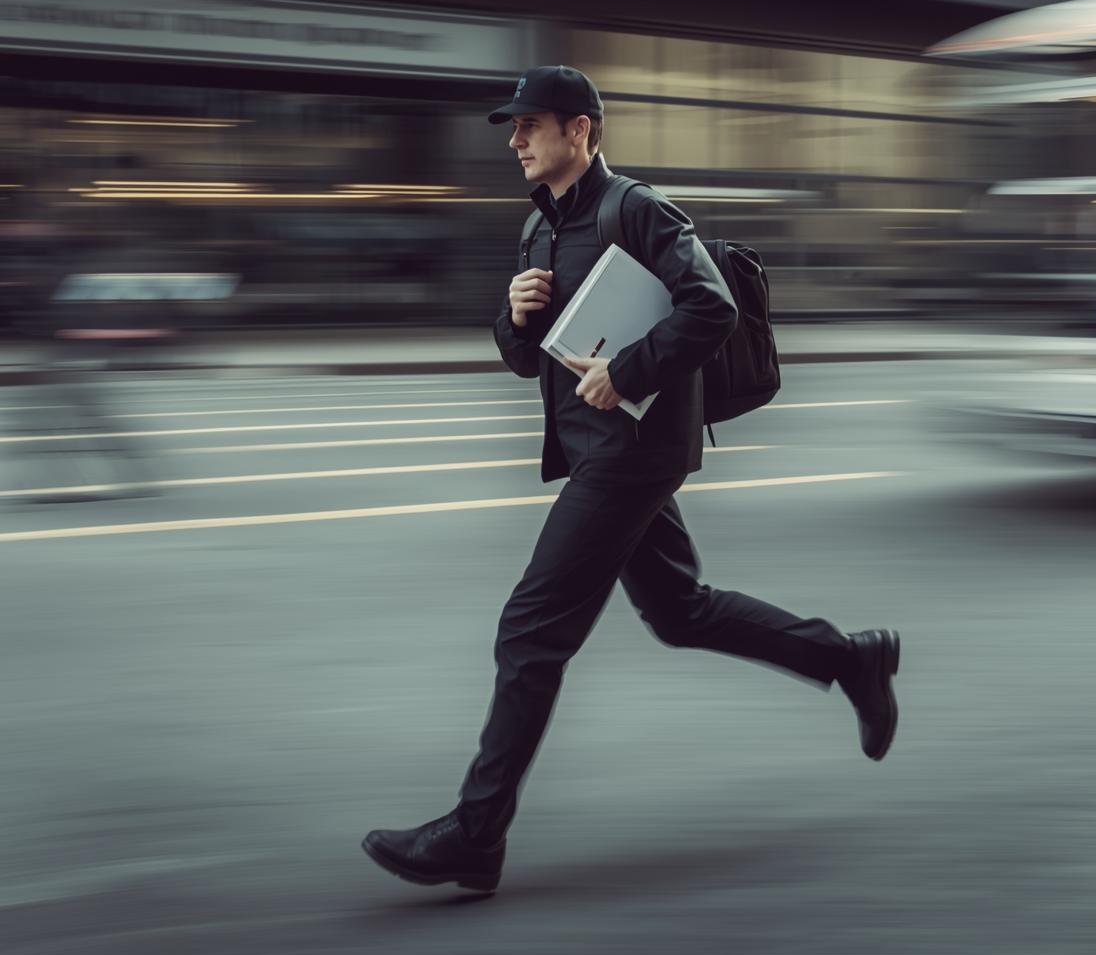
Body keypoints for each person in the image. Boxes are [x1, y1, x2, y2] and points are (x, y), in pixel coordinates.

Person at [362, 66, 900, 894]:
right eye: (513, 127)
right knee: (680, 612)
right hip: (591, 453)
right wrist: (514, 314)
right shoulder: (537, 232)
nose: (515, 140)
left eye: (530, 124)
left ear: (580, 131)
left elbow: (711, 306)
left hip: (631, 454)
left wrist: (627, 375)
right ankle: (850, 658)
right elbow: (520, 359)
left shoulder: (636, 208)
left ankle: (476, 834)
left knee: (530, 630)